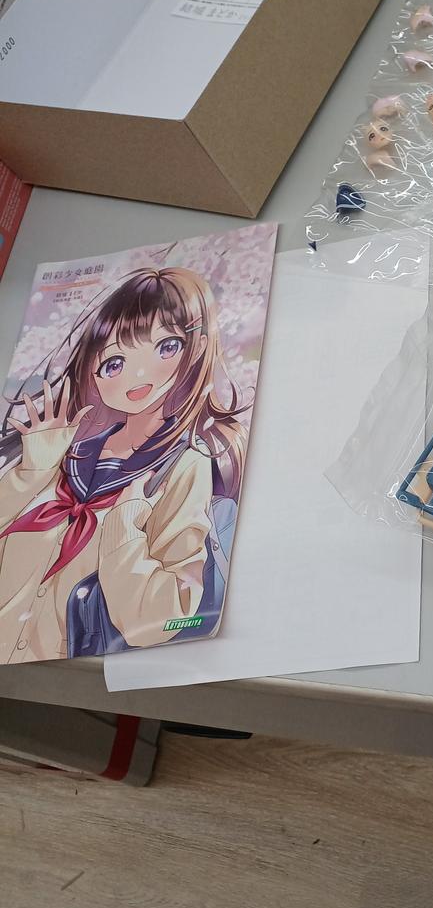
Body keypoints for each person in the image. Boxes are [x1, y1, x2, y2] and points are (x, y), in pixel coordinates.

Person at [0, 267, 247, 663]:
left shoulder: (183, 467)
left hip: (67, 678)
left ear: (197, 348)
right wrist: (30, 474)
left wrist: (126, 529)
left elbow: (166, 619)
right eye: (114, 363)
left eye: (166, 347)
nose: (139, 374)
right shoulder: (63, 452)